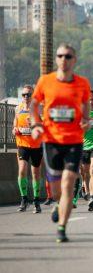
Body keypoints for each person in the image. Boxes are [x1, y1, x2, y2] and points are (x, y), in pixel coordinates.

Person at [30, 43, 91, 243]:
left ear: (74, 60)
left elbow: (85, 107)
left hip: (74, 141)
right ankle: (58, 205)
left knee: (67, 185)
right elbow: (34, 104)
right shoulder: (45, 81)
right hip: (51, 141)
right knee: (56, 191)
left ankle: (62, 227)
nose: (64, 59)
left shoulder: (82, 83)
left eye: (68, 56)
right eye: (60, 56)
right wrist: (35, 125)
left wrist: (85, 121)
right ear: (56, 59)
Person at [13, 85, 43, 213]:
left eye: (28, 95)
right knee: (22, 170)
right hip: (22, 144)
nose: (26, 97)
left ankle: (36, 200)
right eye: (24, 95)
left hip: (36, 145)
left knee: (35, 173)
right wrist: (14, 129)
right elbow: (15, 123)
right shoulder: (17, 108)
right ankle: (24, 199)